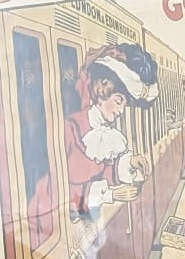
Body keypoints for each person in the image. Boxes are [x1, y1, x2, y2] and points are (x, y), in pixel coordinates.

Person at [64, 44, 158, 220]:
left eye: (124, 105)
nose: (121, 110)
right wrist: (110, 196)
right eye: (118, 101)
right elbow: (63, 191)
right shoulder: (72, 127)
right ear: (102, 88)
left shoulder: (104, 132)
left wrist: (129, 163)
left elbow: (103, 172)